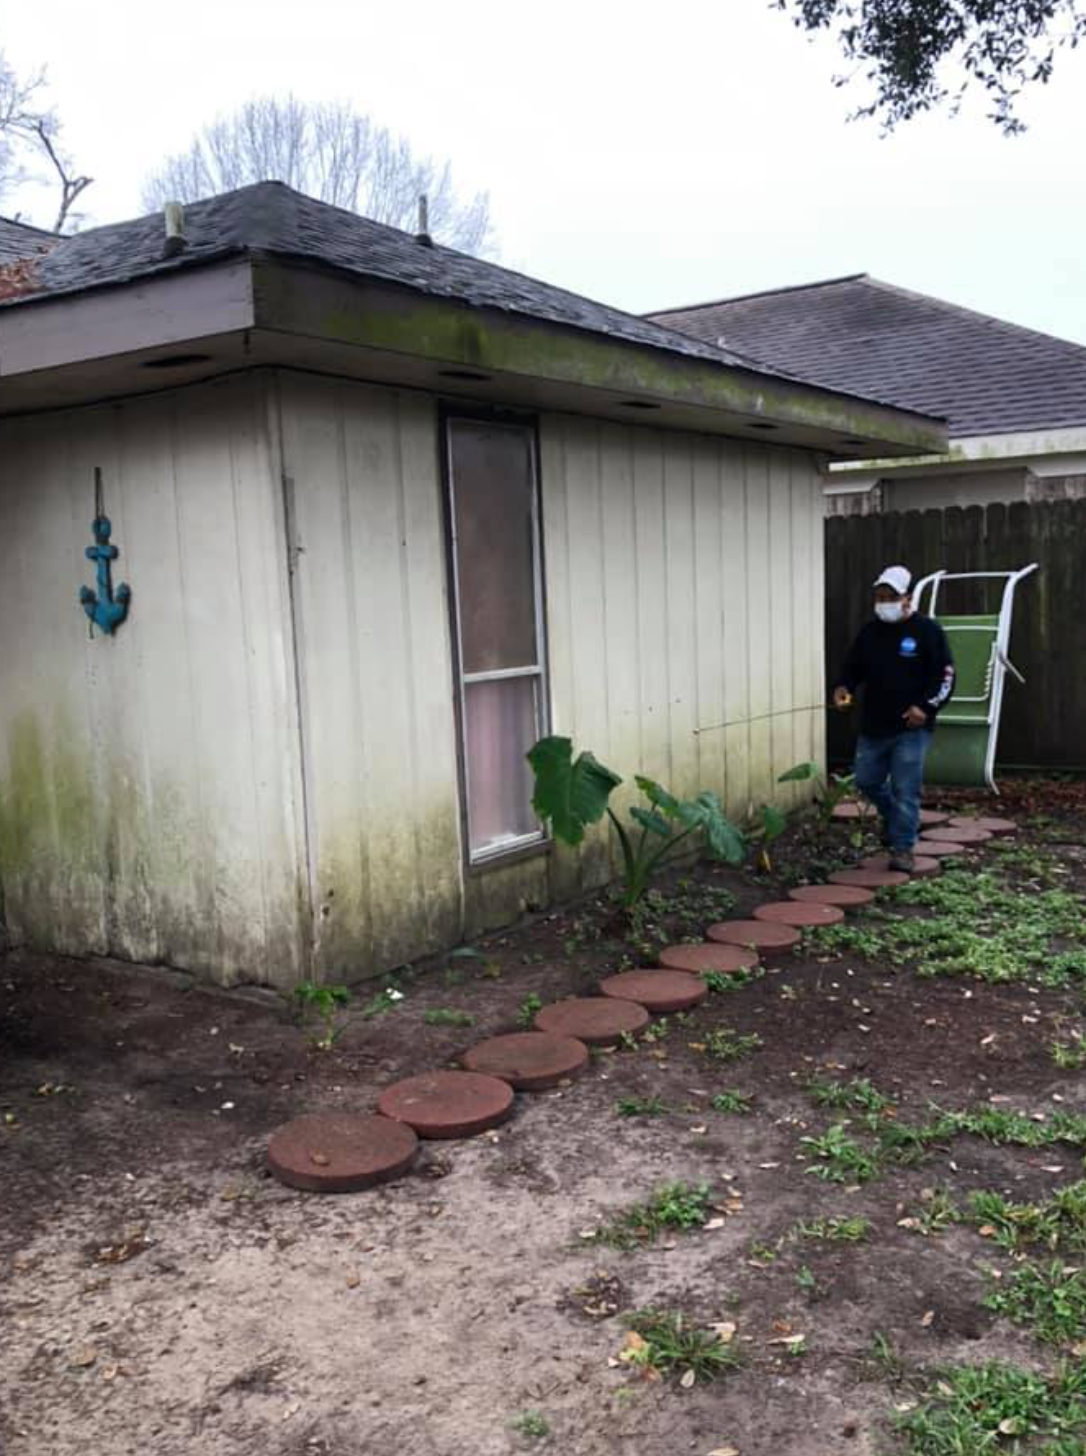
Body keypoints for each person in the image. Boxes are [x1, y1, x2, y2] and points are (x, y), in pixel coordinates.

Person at [832, 565, 955, 872]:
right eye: (879, 596)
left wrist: (924, 708)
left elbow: (945, 677)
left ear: (907, 598)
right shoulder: (870, 633)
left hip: (911, 727)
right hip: (874, 725)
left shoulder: (928, 632)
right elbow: (851, 669)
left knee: (905, 788)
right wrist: (842, 689)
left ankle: (903, 848)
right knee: (866, 781)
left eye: (891, 596)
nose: (884, 601)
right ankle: (894, 817)